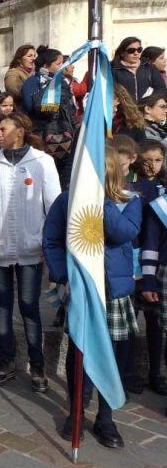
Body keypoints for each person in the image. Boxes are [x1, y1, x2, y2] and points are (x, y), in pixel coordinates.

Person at [44, 146, 141, 449]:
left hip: (113, 292)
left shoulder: (129, 201)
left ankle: (106, 417)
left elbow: (123, 233)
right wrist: (63, 276)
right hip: (82, 289)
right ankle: (75, 412)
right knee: (80, 352)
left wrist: (100, 201)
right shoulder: (67, 199)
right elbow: (52, 239)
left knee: (113, 355)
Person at [0, 112, 60, 392]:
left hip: (31, 247)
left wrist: (48, 242)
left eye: (3, 129)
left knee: (29, 306)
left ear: (20, 131)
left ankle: (37, 365)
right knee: (2, 306)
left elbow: (54, 207)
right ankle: (6, 360)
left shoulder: (42, 162)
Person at [112, 37, 167, 103]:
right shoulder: (114, 69)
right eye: (131, 50)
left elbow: (161, 89)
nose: (136, 53)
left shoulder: (149, 67)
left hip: (146, 110)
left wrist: (147, 102)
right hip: (123, 110)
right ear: (122, 53)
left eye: (139, 50)